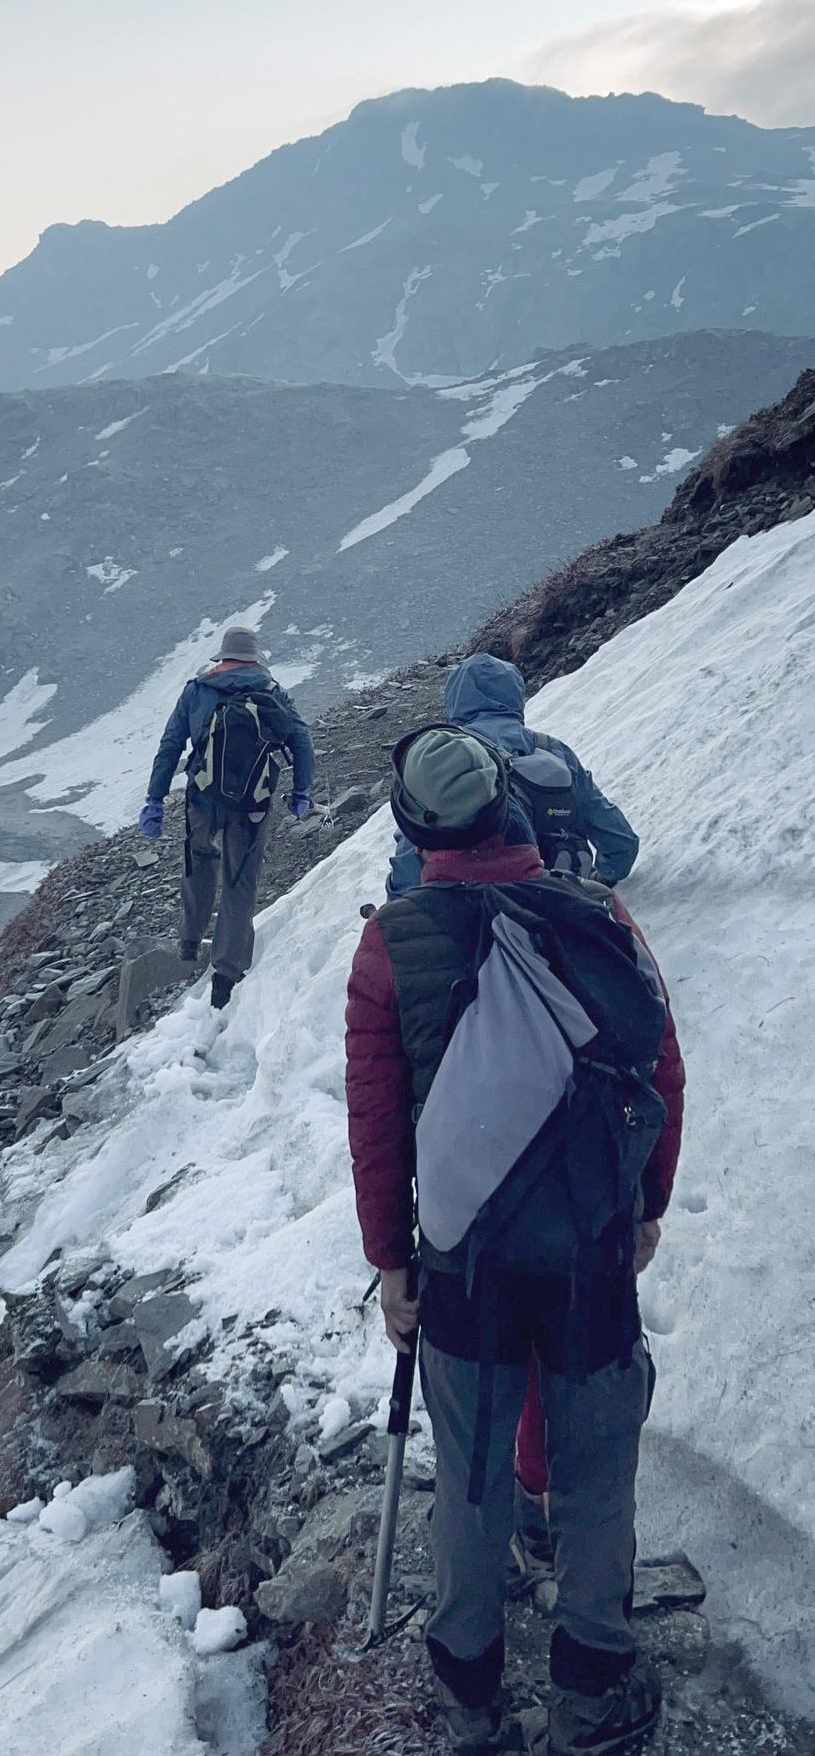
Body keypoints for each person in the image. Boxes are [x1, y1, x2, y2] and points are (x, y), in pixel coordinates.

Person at [346, 726, 683, 1756]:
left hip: (464, 1265)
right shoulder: (601, 915)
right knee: (596, 1472)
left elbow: (378, 1123)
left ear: (414, 830)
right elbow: (660, 1075)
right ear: (511, 808)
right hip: (588, 1250)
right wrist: (644, 1210)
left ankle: (471, 1700)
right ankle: (591, 1689)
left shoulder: (391, 944)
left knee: (473, 1475)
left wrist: (391, 1264)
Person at [139, 625, 314, 1009]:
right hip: (253, 802)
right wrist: (301, 792)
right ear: (255, 659)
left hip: (203, 796)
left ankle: (189, 939)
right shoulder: (273, 693)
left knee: (198, 859)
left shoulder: (198, 691)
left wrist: (154, 799)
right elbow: (301, 741)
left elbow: (170, 746)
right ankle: (226, 974)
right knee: (240, 880)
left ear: (222, 657)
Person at [387, 653, 638, 898]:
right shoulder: (552, 750)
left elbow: (412, 853)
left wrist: (401, 913)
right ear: (515, 695)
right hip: (560, 898)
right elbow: (617, 837)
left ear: (455, 700)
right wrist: (603, 878)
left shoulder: (443, 761)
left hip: (476, 915)